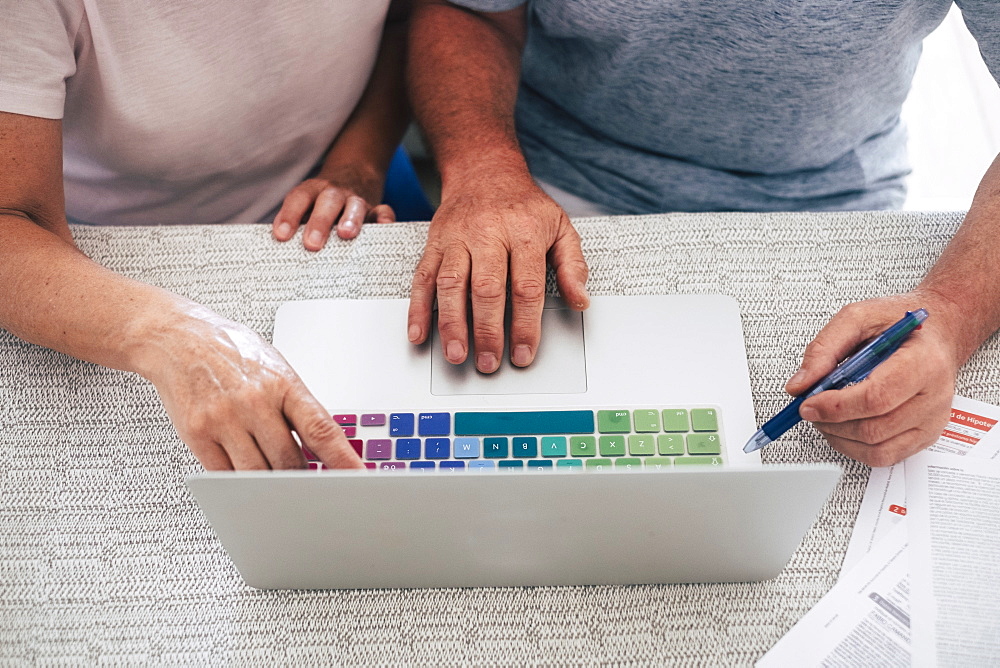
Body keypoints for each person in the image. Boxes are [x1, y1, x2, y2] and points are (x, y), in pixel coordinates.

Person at [404, 0, 1000, 467]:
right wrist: (485, 168)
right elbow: (467, 8)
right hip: (543, 172)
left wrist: (951, 311)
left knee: (852, 449)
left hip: (829, 196)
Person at [0, 0, 413, 470]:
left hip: (346, 169)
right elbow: (10, 216)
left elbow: (412, 17)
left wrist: (359, 163)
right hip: (108, 246)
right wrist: (174, 336)